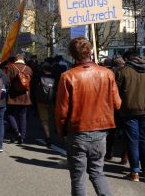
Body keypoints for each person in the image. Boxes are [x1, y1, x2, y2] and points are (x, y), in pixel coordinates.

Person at [55, 37, 121, 196]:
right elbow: (117, 103)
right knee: (98, 172)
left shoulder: (68, 76)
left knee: (78, 178)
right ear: (90, 51)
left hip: (77, 131)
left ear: (72, 54)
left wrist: (61, 131)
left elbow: (62, 110)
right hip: (101, 130)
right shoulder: (107, 73)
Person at [116, 50, 145, 181]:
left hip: (129, 111)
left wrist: (118, 108)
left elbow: (116, 92)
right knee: (144, 140)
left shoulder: (123, 72)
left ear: (128, 59)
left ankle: (135, 172)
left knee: (132, 141)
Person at [5, 54, 33, 144]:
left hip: (13, 95)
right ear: (23, 59)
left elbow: (7, 81)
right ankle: (22, 137)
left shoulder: (11, 67)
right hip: (25, 96)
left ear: (16, 59)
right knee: (23, 116)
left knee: (10, 114)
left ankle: (16, 132)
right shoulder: (29, 69)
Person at [36, 61, 56, 148]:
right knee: (54, 117)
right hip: (53, 101)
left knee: (44, 120)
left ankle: (48, 136)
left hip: (41, 101)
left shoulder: (39, 77)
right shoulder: (56, 77)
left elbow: (35, 90)